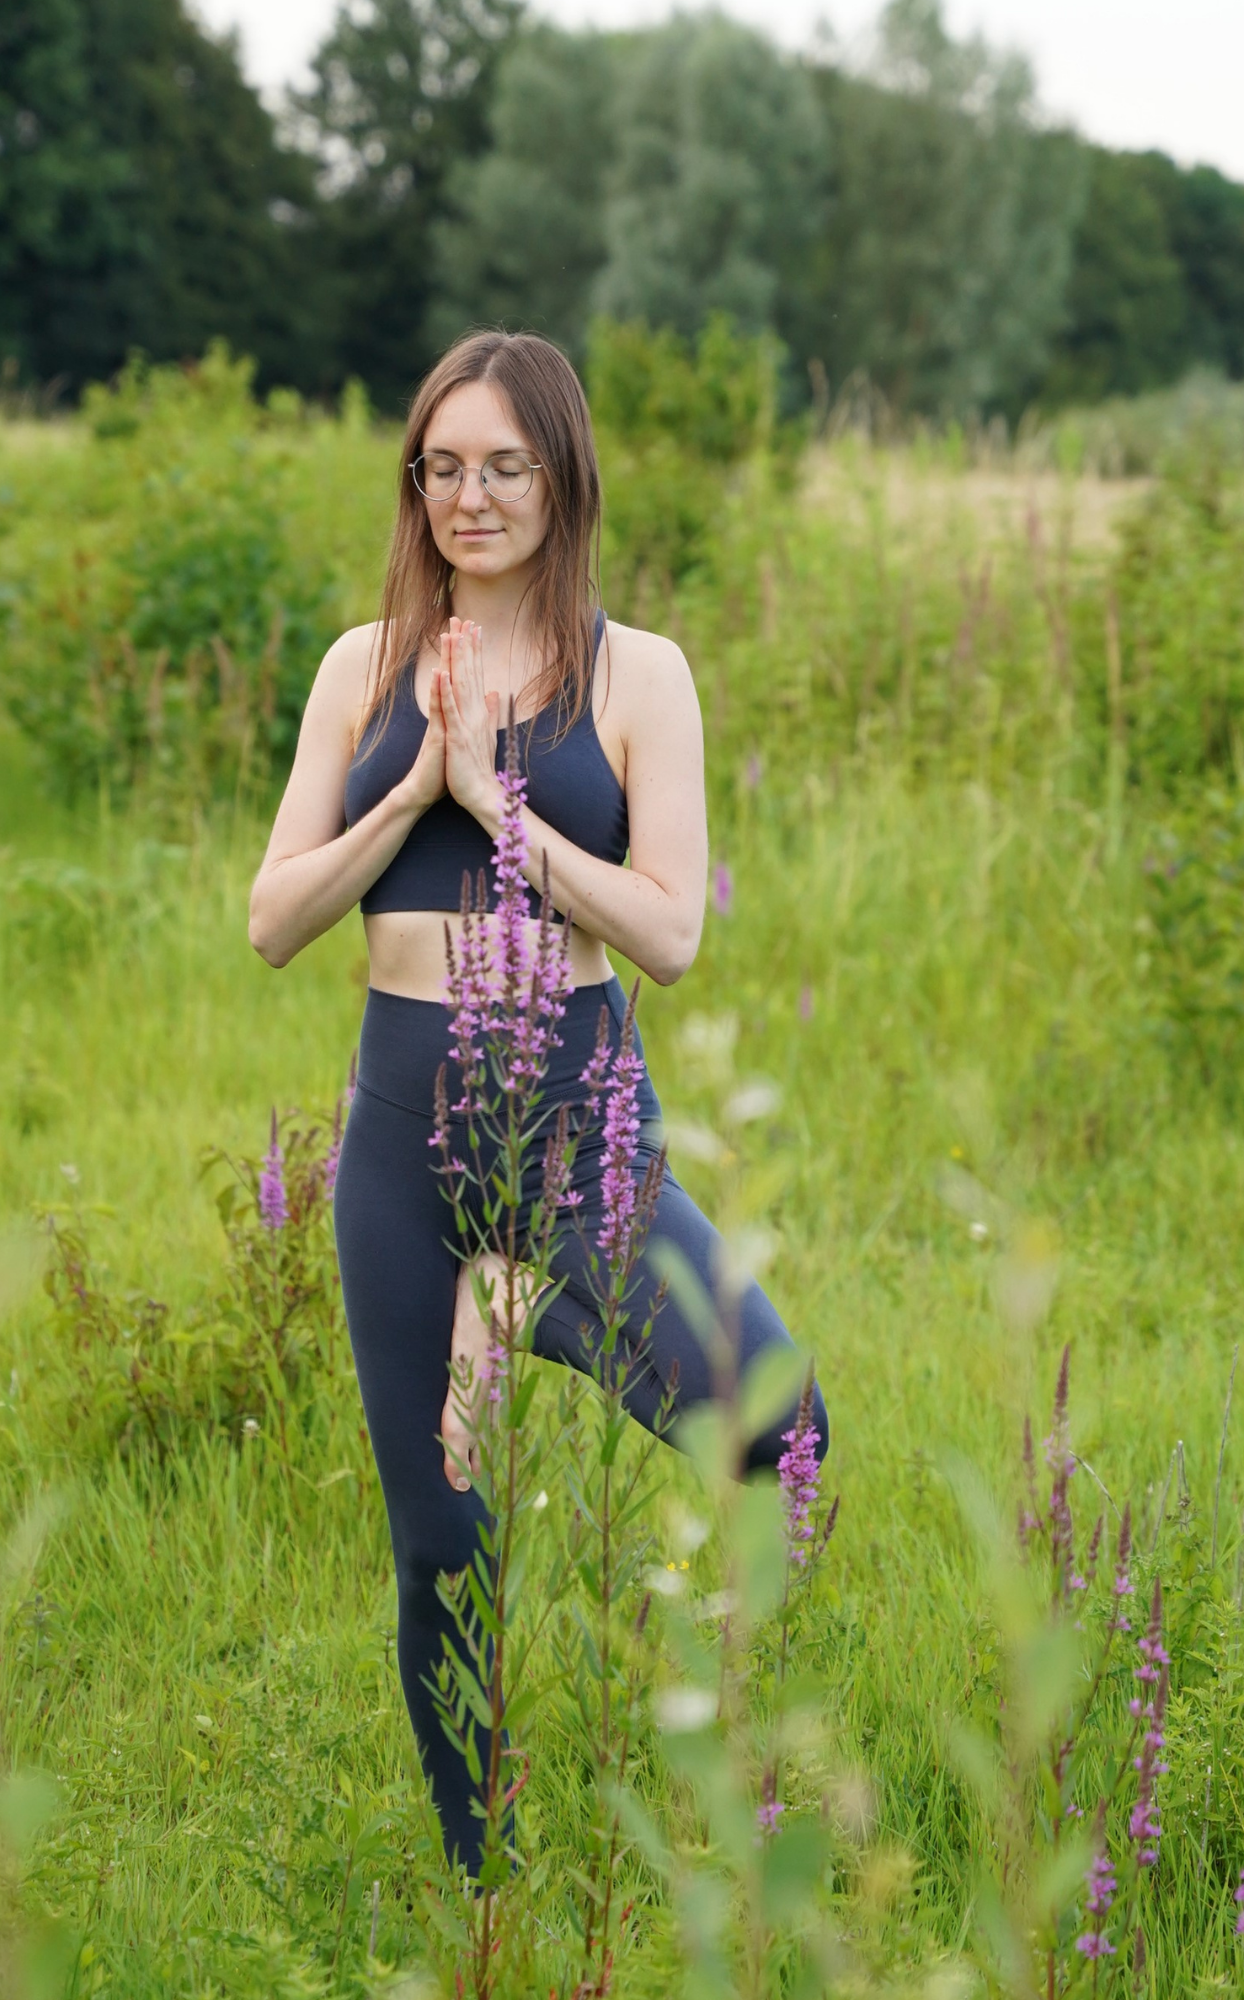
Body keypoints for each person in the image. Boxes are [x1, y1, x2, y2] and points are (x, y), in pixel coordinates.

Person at [247, 329, 829, 1877]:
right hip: (401, 1129)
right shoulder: (359, 669)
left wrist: (504, 811)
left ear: (562, 474)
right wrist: (410, 791)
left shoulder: (641, 673)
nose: (470, 495)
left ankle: (527, 1293)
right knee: (437, 1535)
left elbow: (671, 933)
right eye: (442, 466)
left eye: (503, 463)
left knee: (778, 1425)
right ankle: (478, 1881)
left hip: (580, 1116)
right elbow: (273, 916)